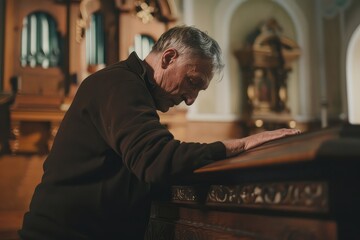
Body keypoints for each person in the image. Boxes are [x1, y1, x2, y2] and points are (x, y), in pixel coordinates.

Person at [19, 25, 300, 239]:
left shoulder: (130, 87)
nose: (190, 99)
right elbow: (155, 160)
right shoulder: (119, 84)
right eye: (192, 83)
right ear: (168, 58)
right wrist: (241, 145)